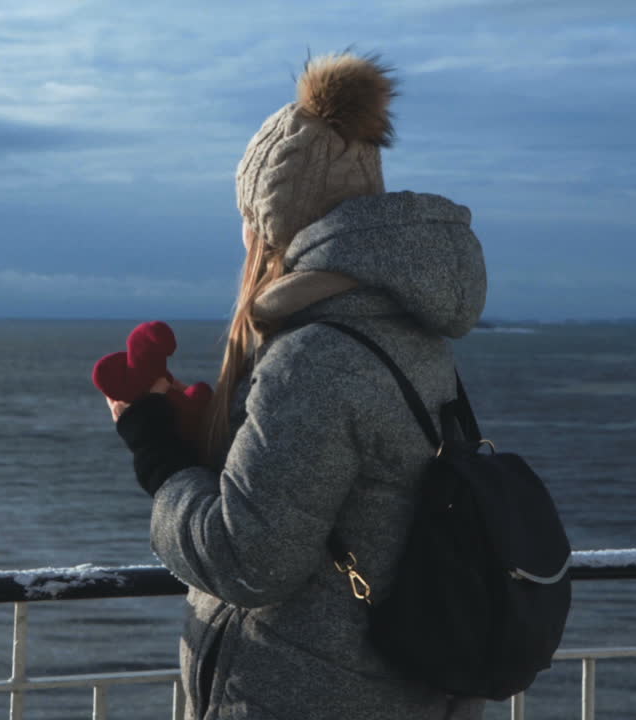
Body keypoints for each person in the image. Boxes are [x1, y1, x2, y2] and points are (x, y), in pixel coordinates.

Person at [107, 51, 488, 720]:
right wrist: (214, 445)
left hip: (308, 693)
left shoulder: (312, 358)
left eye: (248, 219)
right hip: (396, 692)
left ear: (271, 225)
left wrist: (157, 456)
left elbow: (250, 561)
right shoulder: (406, 331)